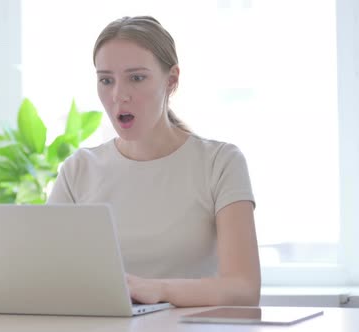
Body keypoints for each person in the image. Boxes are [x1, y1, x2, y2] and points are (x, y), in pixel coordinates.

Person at [47, 16, 260, 307]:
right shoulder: (78, 170)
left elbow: (243, 288)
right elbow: (46, 276)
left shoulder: (220, 163)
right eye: (106, 80)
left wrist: (159, 290)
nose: (119, 95)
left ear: (171, 80)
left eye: (136, 77)